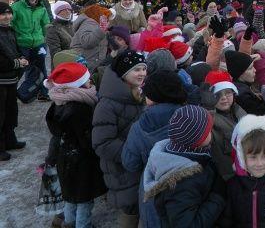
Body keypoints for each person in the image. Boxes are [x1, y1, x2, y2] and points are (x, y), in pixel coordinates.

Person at [121, 70, 187, 228]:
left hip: (153, 193)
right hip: (189, 190)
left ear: (153, 97)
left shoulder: (140, 127)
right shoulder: (191, 117)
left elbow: (130, 163)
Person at [44, 63, 107, 228]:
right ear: (78, 85)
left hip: (65, 159)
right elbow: (87, 140)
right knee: (84, 200)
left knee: (71, 198)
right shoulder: (80, 109)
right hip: (82, 163)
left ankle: (69, 223)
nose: (91, 84)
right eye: (88, 81)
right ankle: (83, 225)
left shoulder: (59, 103)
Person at [143, 105, 225, 227]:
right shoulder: (182, 182)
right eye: (208, 130)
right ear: (197, 139)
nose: (212, 132)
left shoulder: (184, 151)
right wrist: (218, 197)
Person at [92, 50, 146, 227]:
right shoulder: (107, 104)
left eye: (144, 69)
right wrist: (132, 154)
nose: (142, 73)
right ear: (124, 73)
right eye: (136, 69)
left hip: (139, 164)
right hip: (121, 168)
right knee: (130, 209)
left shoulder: (139, 94)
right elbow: (102, 143)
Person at [200, 70, 246, 181]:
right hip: (229, 176)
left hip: (247, 169)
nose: (224, 97)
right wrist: (209, 110)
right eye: (217, 94)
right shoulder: (209, 119)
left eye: (227, 92)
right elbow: (205, 136)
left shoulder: (239, 110)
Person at [10, 0, 50, 102]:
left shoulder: (41, 8)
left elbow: (45, 25)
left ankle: (43, 93)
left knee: (41, 69)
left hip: (39, 44)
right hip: (23, 45)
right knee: (20, 70)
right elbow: (10, 24)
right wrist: (15, 38)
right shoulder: (16, 7)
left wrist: (43, 39)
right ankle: (12, 93)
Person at [0, 2, 27, 161]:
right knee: (0, 114)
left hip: (11, 79)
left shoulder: (10, 31)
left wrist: (21, 58)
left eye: (9, 13)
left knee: (11, 112)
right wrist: (16, 63)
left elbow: (15, 50)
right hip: (1, 80)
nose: (7, 17)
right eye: (3, 14)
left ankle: (10, 141)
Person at [70, 4, 111, 73]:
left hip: (89, 61)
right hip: (86, 62)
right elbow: (87, 42)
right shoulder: (90, 23)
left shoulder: (94, 24)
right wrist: (101, 30)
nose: (107, 19)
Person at [224, 50, 265, 115]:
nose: (255, 70)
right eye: (250, 68)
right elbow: (262, 114)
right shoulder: (244, 97)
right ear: (240, 73)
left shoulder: (242, 88)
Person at [45, 0, 74, 69]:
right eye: (64, 10)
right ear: (58, 12)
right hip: (62, 66)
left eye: (69, 9)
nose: (67, 11)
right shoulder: (52, 28)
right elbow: (56, 53)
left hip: (75, 63)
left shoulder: (73, 25)